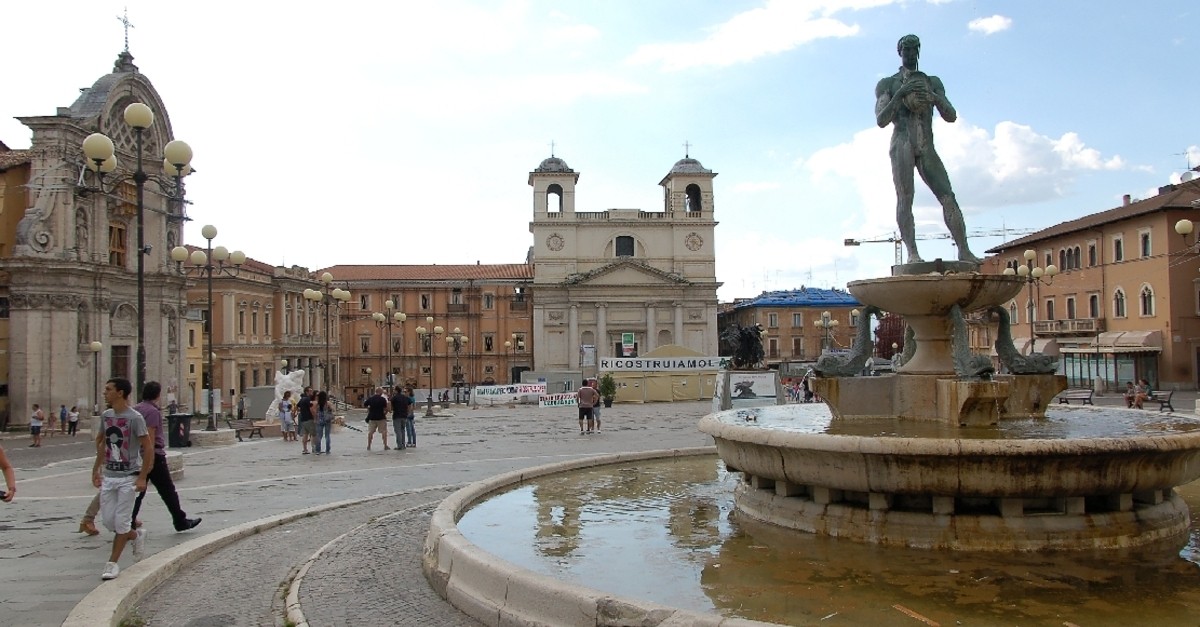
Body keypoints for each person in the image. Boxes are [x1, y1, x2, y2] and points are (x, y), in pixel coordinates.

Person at [875, 34, 980, 265]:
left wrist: (932, 97)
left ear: (919, 52)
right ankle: (912, 253)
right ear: (899, 52)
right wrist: (901, 94)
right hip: (902, 143)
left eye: (914, 50)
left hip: (926, 146)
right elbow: (881, 119)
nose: (910, 54)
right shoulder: (888, 84)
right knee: (905, 198)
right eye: (906, 50)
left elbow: (951, 115)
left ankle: (964, 250)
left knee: (948, 196)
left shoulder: (931, 81)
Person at [92, 377, 152, 580]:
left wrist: (143, 476)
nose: (104, 392)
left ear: (120, 393)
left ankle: (112, 564)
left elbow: (148, 447)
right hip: (110, 475)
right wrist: (96, 469)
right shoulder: (107, 416)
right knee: (109, 522)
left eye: (108, 389)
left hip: (129, 477)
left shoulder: (135, 418)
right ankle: (136, 535)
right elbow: (103, 443)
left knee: (122, 521)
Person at [129, 381, 202, 533]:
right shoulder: (152, 412)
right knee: (168, 491)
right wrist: (149, 460)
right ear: (157, 395)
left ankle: (128, 521)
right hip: (153, 455)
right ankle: (180, 521)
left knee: (137, 492)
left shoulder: (135, 409)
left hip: (136, 454)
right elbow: (150, 435)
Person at [364, 387, 390, 451]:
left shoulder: (371, 398)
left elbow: (365, 404)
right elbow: (386, 408)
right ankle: (385, 445)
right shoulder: (382, 399)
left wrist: (369, 409)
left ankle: (369, 445)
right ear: (380, 392)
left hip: (372, 417)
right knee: (384, 432)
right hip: (381, 417)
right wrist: (385, 413)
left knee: (370, 432)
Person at [390, 385, 411, 450]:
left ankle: (399, 445)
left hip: (396, 416)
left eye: (394, 390)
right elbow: (409, 405)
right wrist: (408, 413)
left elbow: (390, 405)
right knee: (403, 430)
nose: (393, 391)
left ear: (396, 390)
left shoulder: (394, 398)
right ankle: (403, 444)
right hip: (404, 416)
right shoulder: (405, 397)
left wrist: (390, 410)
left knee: (398, 431)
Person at [297, 387, 316, 454]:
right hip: (309, 418)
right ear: (306, 392)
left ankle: (305, 449)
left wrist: (302, 411)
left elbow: (298, 405)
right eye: (310, 391)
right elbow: (311, 409)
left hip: (303, 419)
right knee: (313, 434)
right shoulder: (307, 399)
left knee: (305, 434)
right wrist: (315, 417)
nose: (312, 392)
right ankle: (314, 448)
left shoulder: (302, 399)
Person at [314, 391, 333, 455]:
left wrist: (315, 419)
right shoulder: (328, 403)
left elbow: (316, 412)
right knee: (327, 436)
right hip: (327, 421)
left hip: (319, 421)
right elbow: (332, 411)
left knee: (319, 436)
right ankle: (327, 450)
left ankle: (318, 450)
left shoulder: (317, 404)